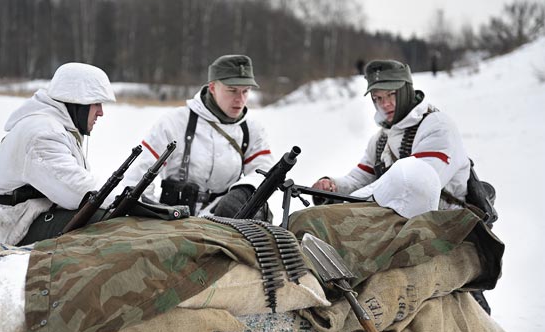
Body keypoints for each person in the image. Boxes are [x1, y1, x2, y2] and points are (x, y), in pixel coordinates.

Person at [107, 55, 275, 219]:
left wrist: (243, 191)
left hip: (225, 223)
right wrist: (151, 215)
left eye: (245, 91)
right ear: (212, 87)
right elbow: (140, 173)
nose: (240, 99)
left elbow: (264, 172)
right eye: (232, 90)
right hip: (176, 222)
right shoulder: (174, 122)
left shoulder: (252, 130)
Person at [0, 62, 116, 246]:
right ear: (77, 100)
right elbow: (75, 191)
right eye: (96, 103)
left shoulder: (57, 128)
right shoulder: (42, 132)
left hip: (23, 215)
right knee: (101, 223)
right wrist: (124, 198)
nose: (101, 112)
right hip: (10, 225)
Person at [312, 59, 471, 212]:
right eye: (378, 98)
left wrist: (350, 203)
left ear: (406, 91)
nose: (385, 104)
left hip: (444, 223)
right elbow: (358, 180)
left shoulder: (437, 127)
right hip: (397, 219)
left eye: (391, 94)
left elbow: (417, 187)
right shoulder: (381, 139)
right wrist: (331, 186)